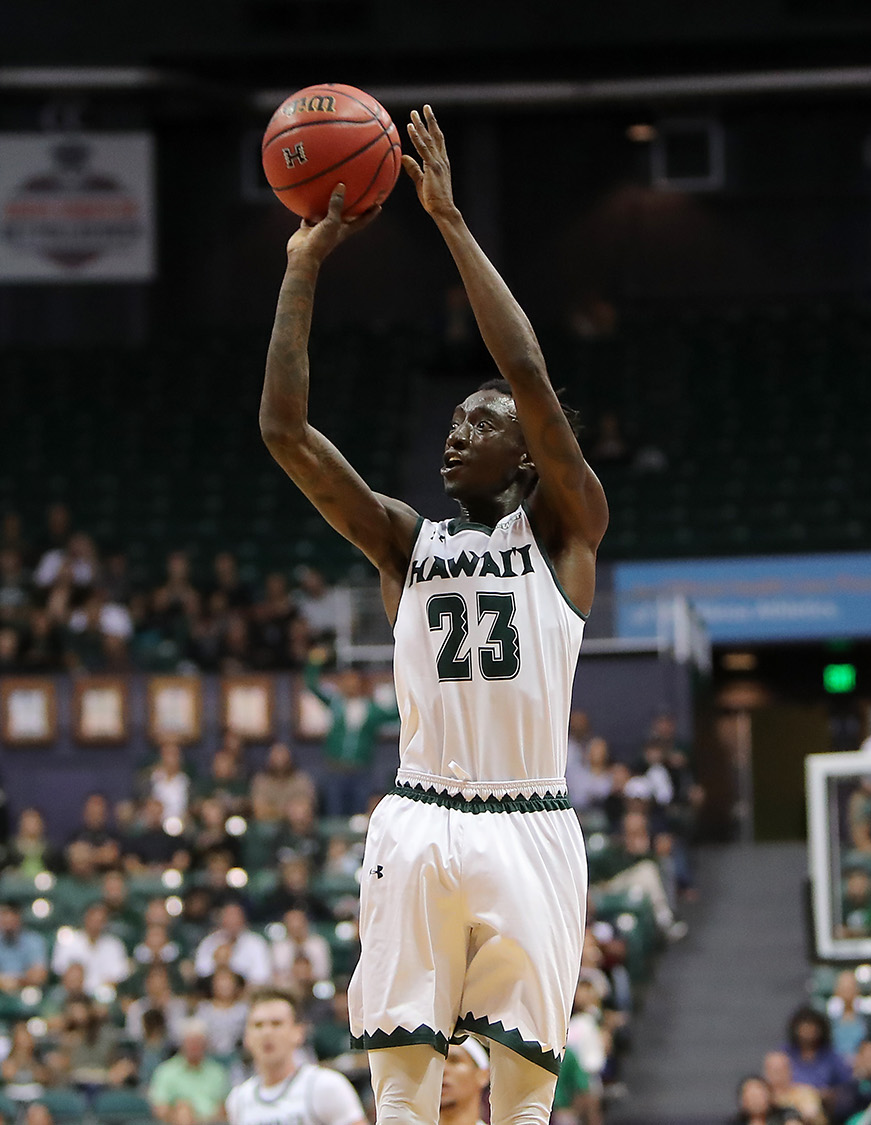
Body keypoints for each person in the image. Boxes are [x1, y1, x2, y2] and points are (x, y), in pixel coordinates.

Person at [262, 105, 606, 1125]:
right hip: (420, 811)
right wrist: (300, 269)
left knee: (523, 1099)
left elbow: (527, 373)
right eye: (452, 420)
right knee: (402, 1094)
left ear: (529, 452)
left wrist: (448, 221)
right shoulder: (405, 544)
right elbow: (284, 432)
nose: (455, 434)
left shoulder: (565, 532)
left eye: (479, 423)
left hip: (528, 815)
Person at [225, 988, 368, 1125]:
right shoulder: (239, 1099)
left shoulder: (324, 1086)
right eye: (258, 1025)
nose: (266, 1032)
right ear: (246, 1037)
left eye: (276, 1024)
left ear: (298, 1032)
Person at [304, 649, 399, 818]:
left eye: (354, 679)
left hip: (361, 771)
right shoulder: (336, 704)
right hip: (336, 769)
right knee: (335, 814)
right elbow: (312, 686)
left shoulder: (371, 709)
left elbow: (395, 713)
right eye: (346, 680)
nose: (350, 684)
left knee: (359, 815)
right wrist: (314, 662)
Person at [149, 1018, 231, 1125]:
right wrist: (177, 1116)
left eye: (198, 1042)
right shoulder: (165, 1072)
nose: (194, 1046)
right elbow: (160, 1109)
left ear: (205, 1044)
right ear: (182, 1043)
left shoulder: (218, 1072)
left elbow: (226, 1107)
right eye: (191, 1042)